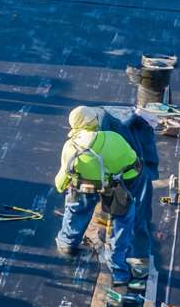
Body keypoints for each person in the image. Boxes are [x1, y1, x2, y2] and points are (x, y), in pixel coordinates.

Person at [53, 106, 144, 290]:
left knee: (76, 208)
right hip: (113, 186)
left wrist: (64, 187)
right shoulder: (114, 139)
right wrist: (125, 187)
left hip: (84, 187)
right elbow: (133, 167)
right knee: (122, 219)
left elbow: (62, 179)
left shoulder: (71, 147)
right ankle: (118, 268)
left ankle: (67, 243)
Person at [99, 106, 160, 273]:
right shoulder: (139, 125)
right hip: (137, 173)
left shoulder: (107, 127)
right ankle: (138, 255)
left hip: (125, 176)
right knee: (139, 213)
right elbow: (149, 155)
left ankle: (129, 252)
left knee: (123, 212)